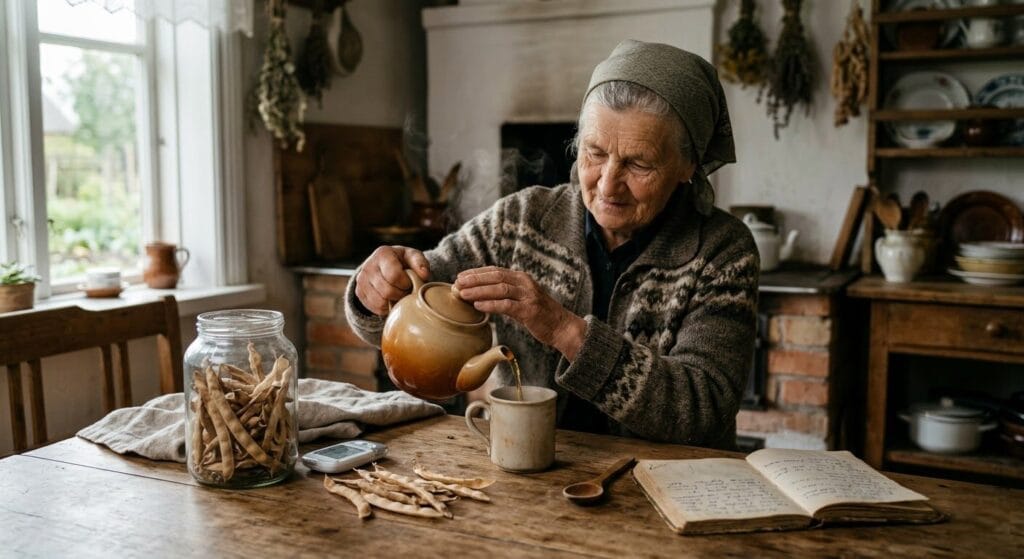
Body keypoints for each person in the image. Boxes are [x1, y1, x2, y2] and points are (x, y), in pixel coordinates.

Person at [345, 40, 758, 450]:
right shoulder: (522, 219)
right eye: (594, 153)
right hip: (530, 477)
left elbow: (704, 410)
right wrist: (379, 290)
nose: (608, 183)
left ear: (688, 165)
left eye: (638, 163)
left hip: (666, 492)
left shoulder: (722, 251)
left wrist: (565, 330)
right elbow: (416, 296)